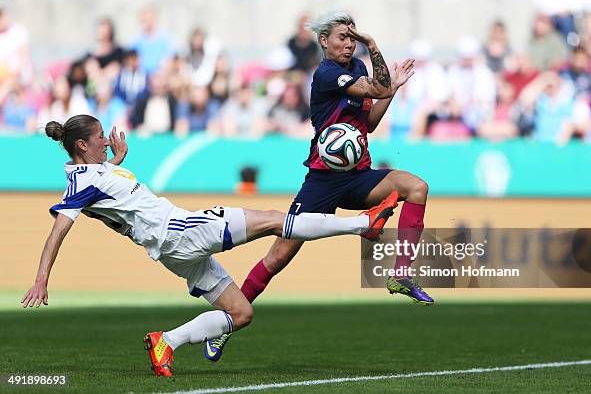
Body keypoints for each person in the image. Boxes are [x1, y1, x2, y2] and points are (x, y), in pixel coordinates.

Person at [21, 114, 398, 377]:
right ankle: (363, 224)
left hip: (173, 251)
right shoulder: (80, 184)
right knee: (270, 219)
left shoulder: (96, 172)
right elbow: (58, 230)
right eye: (101, 136)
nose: (108, 140)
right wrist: (41, 278)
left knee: (241, 313)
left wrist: (116, 161)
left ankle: (165, 342)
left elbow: (109, 191)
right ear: (83, 144)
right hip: (180, 231)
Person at [204, 11, 433, 362]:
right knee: (278, 256)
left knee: (417, 187)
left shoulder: (356, 70)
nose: (349, 43)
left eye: (353, 38)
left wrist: (392, 90)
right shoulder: (327, 74)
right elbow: (380, 85)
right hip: (322, 182)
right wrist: (374, 48)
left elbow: (369, 124)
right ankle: (226, 323)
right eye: (343, 37)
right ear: (324, 41)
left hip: (358, 176)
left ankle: (400, 274)